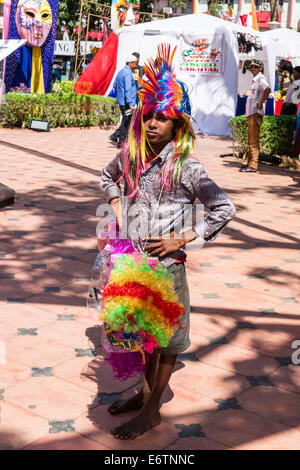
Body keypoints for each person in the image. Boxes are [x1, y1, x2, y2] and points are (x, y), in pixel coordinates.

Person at [100, 44, 236, 440]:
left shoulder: (187, 166)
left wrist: (185, 238)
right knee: (140, 334)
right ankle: (143, 394)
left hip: (167, 269)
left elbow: (223, 208)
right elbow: (106, 177)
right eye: (151, 116)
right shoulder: (131, 156)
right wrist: (118, 211)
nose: (156, 122)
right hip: (131, 263)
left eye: (165, 117)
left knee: (168, 340)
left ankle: (153, 410)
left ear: (178, 125)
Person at [241, 59, 271, 173]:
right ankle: (249, 163)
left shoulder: (260, 78)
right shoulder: (256, 79)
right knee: (251, 140)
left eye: (255, 67)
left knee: (253, 140)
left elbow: (267, 90)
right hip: (251, 113)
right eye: (251, 67)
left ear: (260, 68)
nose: (252, 68)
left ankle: (253, 165)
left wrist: (261, 102)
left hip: (255, 113)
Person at [109, 54, 138, 148]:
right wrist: (131, 104)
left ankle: (117, 138)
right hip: (127, 103)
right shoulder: (128, 74)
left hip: (122, 101)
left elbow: (114, 85)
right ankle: (121, 142)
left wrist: (120, 94)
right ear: (130, 63)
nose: (136, 65)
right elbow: (128, 89)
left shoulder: (121, 72)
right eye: (135, 63)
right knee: (126, 122)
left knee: (125, 120)